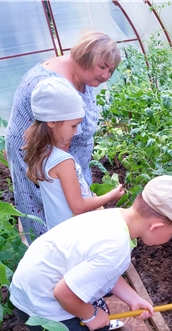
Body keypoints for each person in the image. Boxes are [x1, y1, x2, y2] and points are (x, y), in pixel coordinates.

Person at [9, 175, 172, 331]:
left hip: (38, 282)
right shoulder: (115, 247)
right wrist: (91, 315)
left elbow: (104, 273)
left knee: (99, 313)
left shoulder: (115, 218)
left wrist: (133, 298)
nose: (170, 240)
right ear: (156, 227)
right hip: (42, 304)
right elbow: (63, 294)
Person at [5, 31, 121, 242]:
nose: (106, 76)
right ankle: (44, 250)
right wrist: (108, 195)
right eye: (102, 67)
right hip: (43, 158)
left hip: (65, 164)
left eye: (111, 70)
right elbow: (75, 203)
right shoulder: (51, 87)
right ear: (85, 58)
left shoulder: (82, 77)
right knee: (45, 208)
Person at [22, 77, 124, 231]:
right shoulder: (63, 162)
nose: (76, 131)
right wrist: (111, 195)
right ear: (52, 122)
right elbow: (78, 206)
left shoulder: (41, 153)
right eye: (73, 125)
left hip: (58, 230)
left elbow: (31, 175)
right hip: (75, 230)